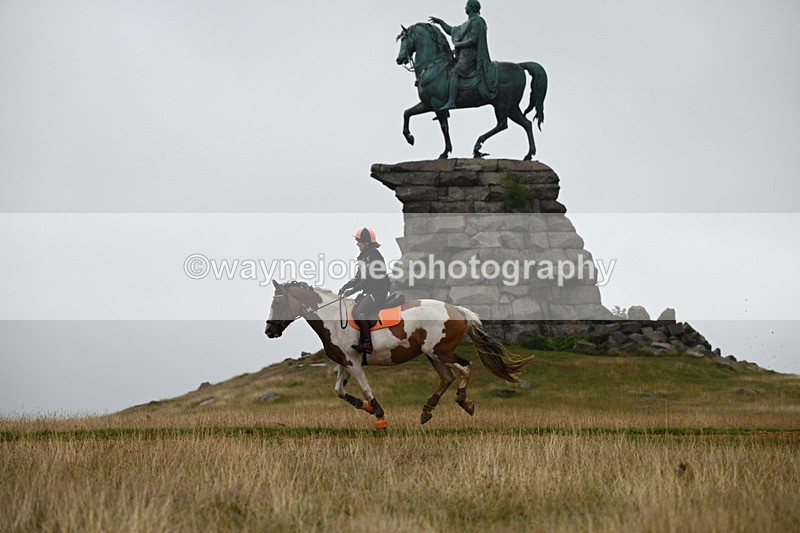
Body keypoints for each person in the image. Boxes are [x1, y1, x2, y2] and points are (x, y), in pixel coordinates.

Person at [429, 0, 498, 111]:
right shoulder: (466, 24)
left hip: (471, 57)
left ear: (471, 7)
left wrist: (459, 44)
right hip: (463, 56)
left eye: (466, 5)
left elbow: (474, 40)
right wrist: (440, 22)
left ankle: (451, 102)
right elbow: (452, 30)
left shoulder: (477, 21)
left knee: (454, 72)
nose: (465, 7)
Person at [338, 228, 391, 355]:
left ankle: (367, 343)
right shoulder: (364, 257)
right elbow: (358, 278)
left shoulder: (374, 256)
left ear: (366, 243)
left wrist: (352, 291)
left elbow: (367, 280)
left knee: (360, 311)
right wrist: (344, 287)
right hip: (370, 291)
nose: (357, 244)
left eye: (359, 242)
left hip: (378, 291)